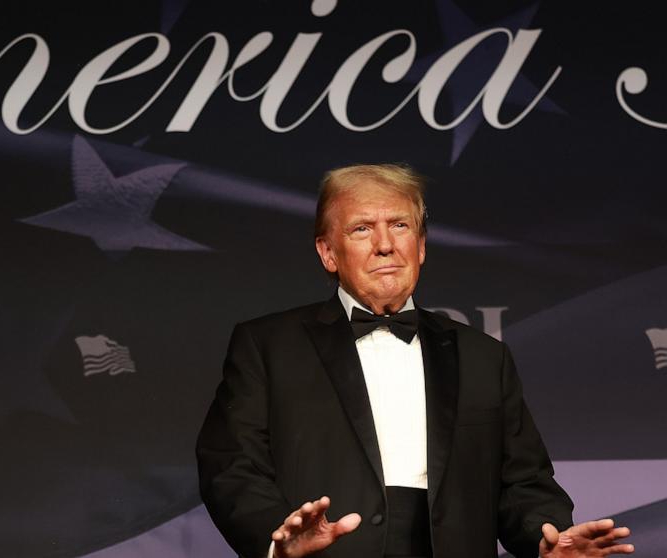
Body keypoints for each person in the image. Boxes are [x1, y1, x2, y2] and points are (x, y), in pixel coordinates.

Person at [195, 164, 634, 558]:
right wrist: (277, 539)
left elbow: (523, 484)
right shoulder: (268, 345)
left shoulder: (484, 356)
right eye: (362, 229)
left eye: (400, 225)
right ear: (328, 253)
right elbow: (232, 466)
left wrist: (547, 541)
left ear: (420, 246)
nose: (385, 244)